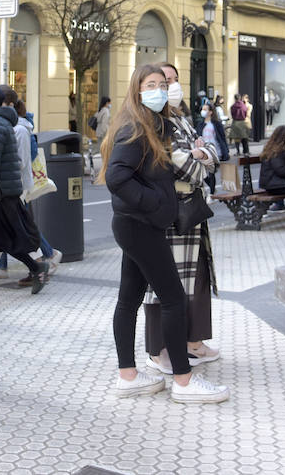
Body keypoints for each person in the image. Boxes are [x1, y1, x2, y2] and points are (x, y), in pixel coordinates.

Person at [103, 63, 228, 403]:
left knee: (128, 300)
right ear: (138, 89)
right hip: (139, 225)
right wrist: (154, 202)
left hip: (136, 224)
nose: (160, 89)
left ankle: (127, 375)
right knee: (173, 298)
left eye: (163, 83)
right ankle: (184, 382)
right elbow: (116, 176)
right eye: (152, 84)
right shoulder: (135, 127)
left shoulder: (154, 124)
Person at [142, 62, 221, 376]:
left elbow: (211, 151)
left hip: (192, 209)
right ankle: (160, 350)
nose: (169, 87)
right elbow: (181, 162)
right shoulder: (155, 122)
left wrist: (201, 155)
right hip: (170, 210)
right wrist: (200, 157)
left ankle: (191, 342)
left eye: (173, 81)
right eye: (163, 82)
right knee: (163, 284)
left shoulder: (182, 119)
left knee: (194, 278)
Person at [0, 85, 48, 294]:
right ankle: (36, 266)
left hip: (1, 194)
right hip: (1, 192)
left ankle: (38, 265)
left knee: (5, 237)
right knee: (1, 237)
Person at [3, 86, 61, 278]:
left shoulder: (20, 128)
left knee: (22, 225)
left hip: (18, 185)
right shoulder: (15, 126)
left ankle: (46, 257)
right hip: (13, 185)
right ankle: (2, 266)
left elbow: (24, 158)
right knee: (14, 224)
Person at [258, 125, 285, 211]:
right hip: (275, 185)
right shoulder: (277, 152)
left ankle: (280, 205)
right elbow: (281, 170)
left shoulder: (273, 149)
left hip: (273, 184)